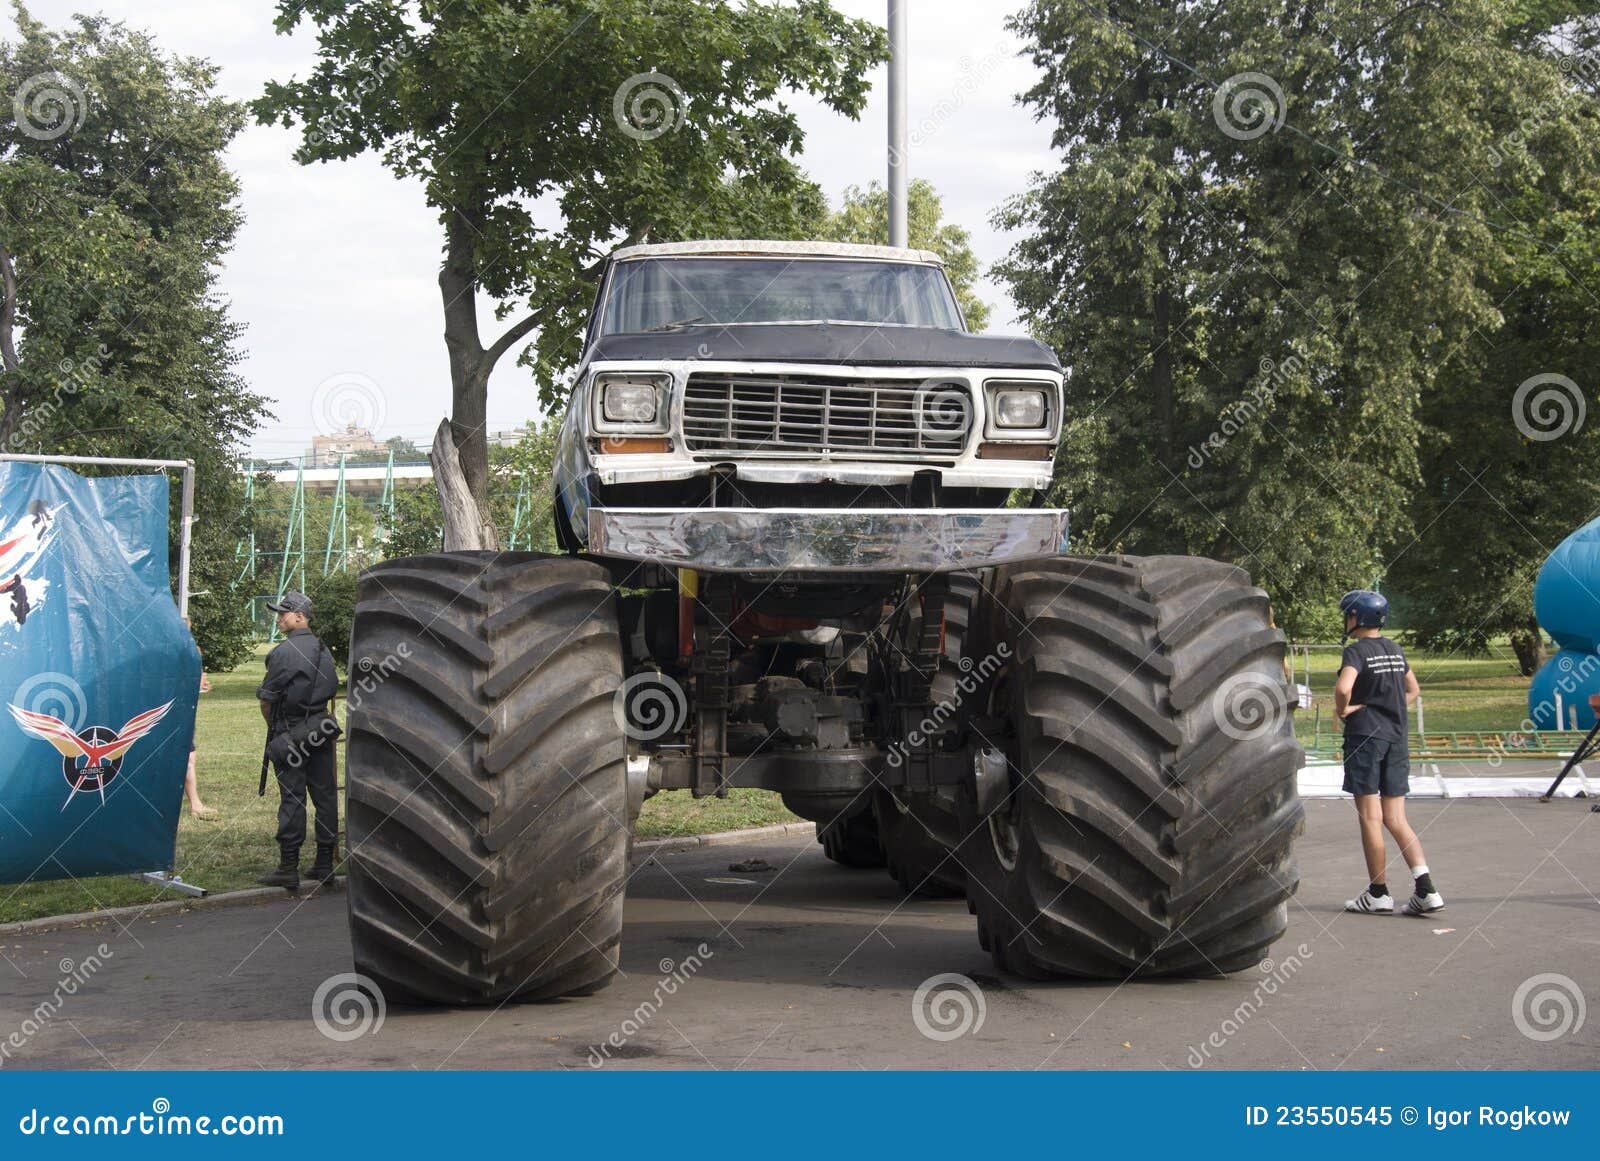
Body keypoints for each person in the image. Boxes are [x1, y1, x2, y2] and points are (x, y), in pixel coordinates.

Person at [1334, 590, 1444, 916]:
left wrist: (1345, 710)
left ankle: (1378, 893)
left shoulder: (1355, 652)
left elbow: (1343, 688)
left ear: (1358, 618)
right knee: (1396, 818)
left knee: (1371, 817)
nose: (1346, 620)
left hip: (1365, 738)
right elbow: (1414, 689)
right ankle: (1426, 888)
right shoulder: (1396, 650)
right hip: (1396, 739)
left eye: (1348, 615)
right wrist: (1389, 708)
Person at [255, 591, 340, 891]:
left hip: (290, 731)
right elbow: (331, 686)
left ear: (300, 617)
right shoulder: (323, 649)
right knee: (325, 796)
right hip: (320, 728)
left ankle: (288, 868)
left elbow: (267, 701)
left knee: (292, 798)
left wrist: (281, 731)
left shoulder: (282, 653)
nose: (279, 617)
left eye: (283, 613)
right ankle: (324, 864)